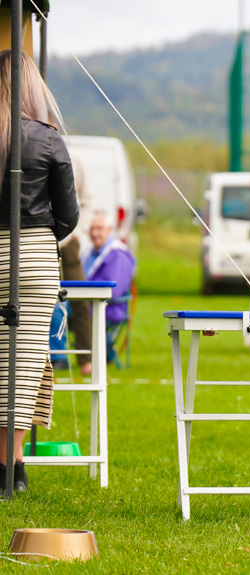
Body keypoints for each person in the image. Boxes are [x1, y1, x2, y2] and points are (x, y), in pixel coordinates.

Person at [0, 50, 79, 492]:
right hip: (32, 257)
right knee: (25, 363)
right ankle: (13, 470)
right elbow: (68, 216)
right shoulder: (48, 138)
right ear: (33, 87)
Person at [50, 152, 94, 374]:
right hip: (41, 240)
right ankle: (50, 357)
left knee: (81, 297)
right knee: (45, 300)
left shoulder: (74, 159)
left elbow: (88, 202)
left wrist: (78, 232)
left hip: (69, 241)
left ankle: (86, 358)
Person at [80, 210, 135, 363]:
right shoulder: (89, 253)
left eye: (99, 228)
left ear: (110, 229)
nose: (94, 233)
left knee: (57, 313)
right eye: (91, 229)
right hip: (87, 304)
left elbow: (113, 291)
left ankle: (60, 359)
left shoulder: (117, 254)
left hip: (109, 309)